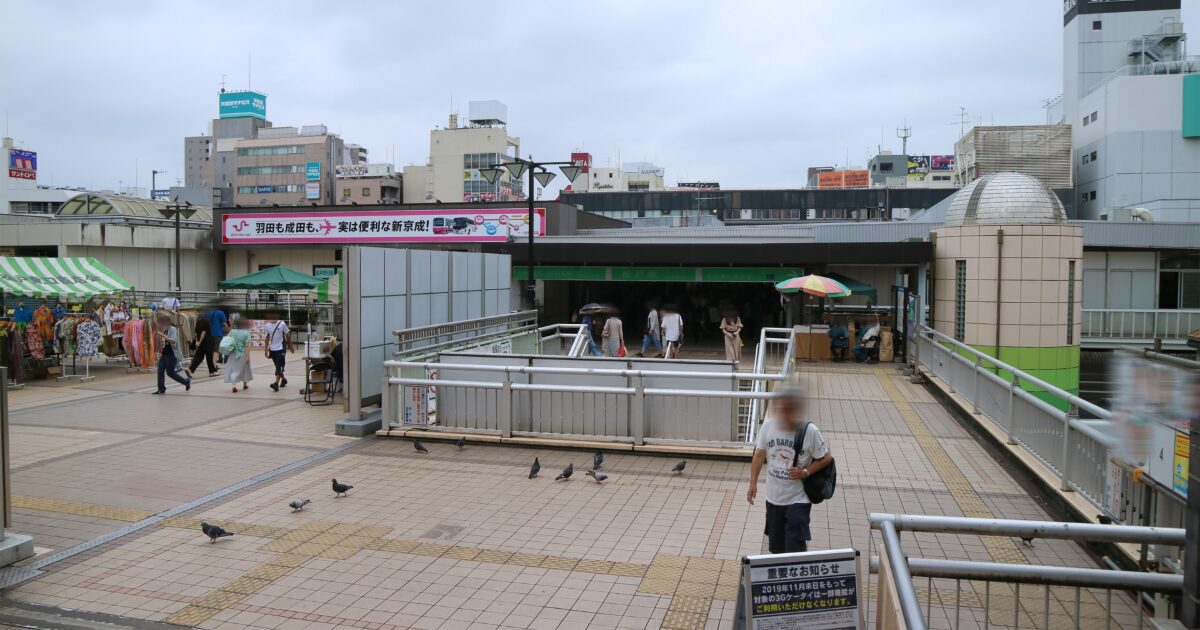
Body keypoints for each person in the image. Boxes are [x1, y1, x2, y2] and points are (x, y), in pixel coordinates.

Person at [747, 383, 832, 554]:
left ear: (797, 409)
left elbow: (826, 458)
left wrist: (805, 472)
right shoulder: (768, 426)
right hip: (774, 498)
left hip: (798, 499)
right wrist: (753, 483)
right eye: (781, 408)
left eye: (789, 409)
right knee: (776, 548)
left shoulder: (810, 431)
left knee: (794, 547)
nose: (785, 413)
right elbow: (759, 455)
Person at [152, 312, 191, 395]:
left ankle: (186, 382)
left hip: (171, 354)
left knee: (170, 373)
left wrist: (162, 335)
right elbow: (164, 343)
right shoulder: (165, 330)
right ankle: (161, 389)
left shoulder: (173, 329)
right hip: (164, 354)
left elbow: (173, 341)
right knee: (160, 371)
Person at [264, 314, 293, 392]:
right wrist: (265, 350)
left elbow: (287, 335)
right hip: (272, 349)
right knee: (278, 366)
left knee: (279, 366)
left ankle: (276, 384)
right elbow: (266, 338)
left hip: (281, 348)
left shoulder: (282, 324)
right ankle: (283, 379)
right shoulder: (267, 326)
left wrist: (290, 346)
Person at [223, 318, 253, 393]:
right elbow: (247, 346)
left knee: (234, 368)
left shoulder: (232, 331)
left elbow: (227, 340)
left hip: (233, 352)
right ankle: (245, 384)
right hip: (242, 352)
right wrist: (247, 356)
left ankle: (234, 385)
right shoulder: (246, 332)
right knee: (245, 368)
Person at [184, 313, 218, 377]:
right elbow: (204, 332)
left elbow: (197, 333)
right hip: (207, 341)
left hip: (200, 342)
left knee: (198, 357)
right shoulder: (206, 321)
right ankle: (212, 372)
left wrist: (197, 341)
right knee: (209, 357)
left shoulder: (197, 322)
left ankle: (190, 369)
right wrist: (200, 341)